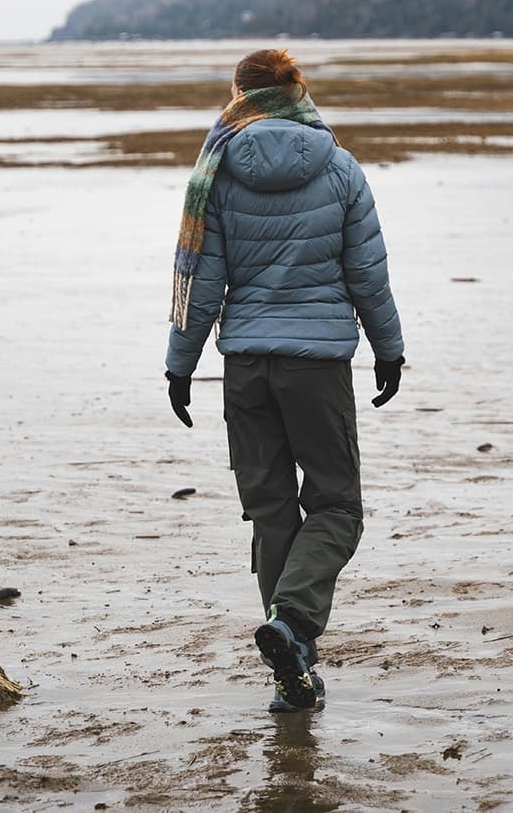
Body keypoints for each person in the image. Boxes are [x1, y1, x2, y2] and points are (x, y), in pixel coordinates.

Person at [164, 47, 405, 712]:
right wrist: (390, 352)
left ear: (240, 94)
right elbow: (369, 277)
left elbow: (201, 280)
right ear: (297, 92)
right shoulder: (339, 167)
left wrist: (180, 365)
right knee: (336, 505)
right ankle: (293, 626)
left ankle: (290, 673)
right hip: (318, 366)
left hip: (245, 366)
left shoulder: (216, 171)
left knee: (271, 513)